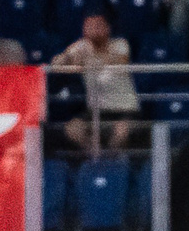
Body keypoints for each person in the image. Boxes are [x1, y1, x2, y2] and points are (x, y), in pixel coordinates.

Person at [49, 12, 140, 149]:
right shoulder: (81, 47)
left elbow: (121, 60)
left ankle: (113, 158)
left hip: (124, 109)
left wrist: (90, 59)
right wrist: (67, 57)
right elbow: (56, 65)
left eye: (98, 26)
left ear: (107, 28)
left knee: (121, 132)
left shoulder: (120, 44)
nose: (94, 30)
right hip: (95, 109)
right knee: (73, 129)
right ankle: (93, 155)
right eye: (89, 26)